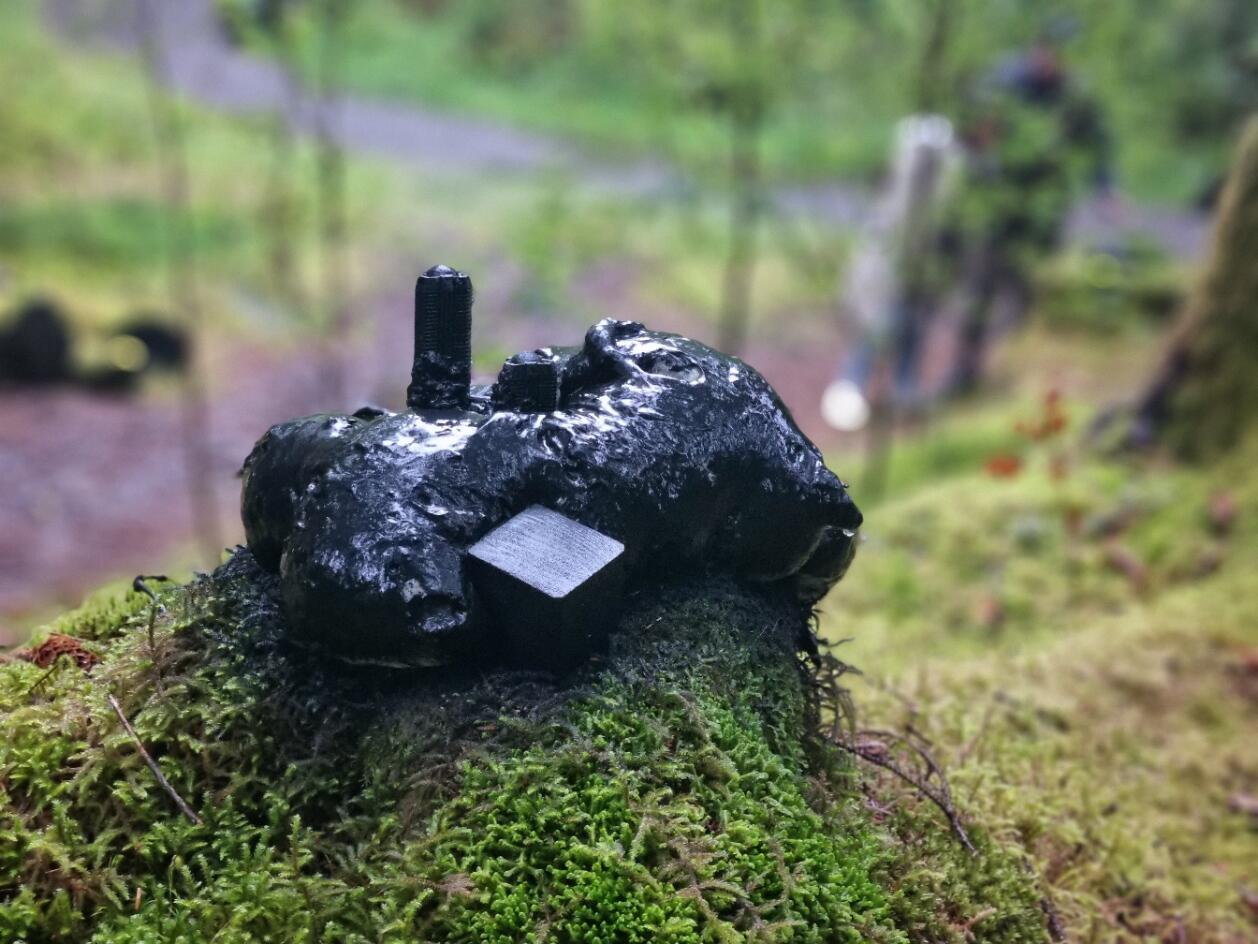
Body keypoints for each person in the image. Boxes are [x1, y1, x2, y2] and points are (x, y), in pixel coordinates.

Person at [947, 25, 1116, 393]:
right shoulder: (1003, 82)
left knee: (1028, 286)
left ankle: (1009, 369)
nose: (1050, 61)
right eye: (1046, 52)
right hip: (996, 200)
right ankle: (963, 372)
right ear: (1035, 49)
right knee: (980, 284)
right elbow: (969, 132)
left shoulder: (1073, 94)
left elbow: (1098, 141)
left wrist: (1104, 187)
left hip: (1042, 207)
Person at [822, 114, 961, 432]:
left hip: (916, 267)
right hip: (890, 268)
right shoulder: (904, 192)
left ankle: (902, 391)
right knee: (881, 326)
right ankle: (855, 388)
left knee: (909, 325)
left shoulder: (936, 192)